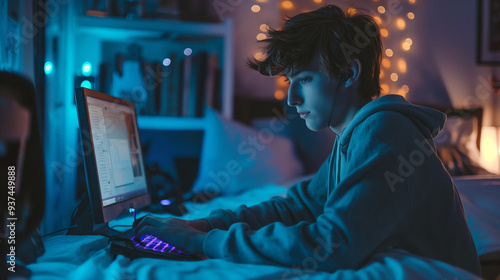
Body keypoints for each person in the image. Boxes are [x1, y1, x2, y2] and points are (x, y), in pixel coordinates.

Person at [136, 5, 481, 275]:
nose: (292, 99)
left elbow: (331, 244)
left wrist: (206, 242)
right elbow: (297, 207)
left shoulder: (386, 133)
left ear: (349, 73)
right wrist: (205, 223)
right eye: (290, 81)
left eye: (303, 79)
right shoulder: (356, 135)